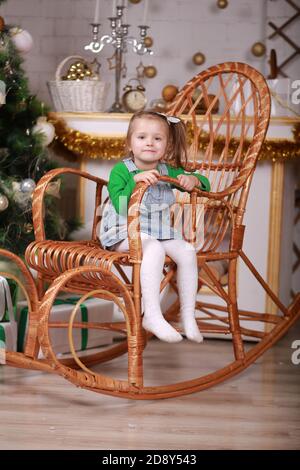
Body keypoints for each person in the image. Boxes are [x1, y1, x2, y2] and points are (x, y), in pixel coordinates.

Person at [99, 111, 210, 343]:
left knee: (188, 252)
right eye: (141, 137)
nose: (149, 142)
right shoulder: (122, 170)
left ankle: (188, 316)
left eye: (157, 139)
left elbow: (205, 184)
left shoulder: (168, 171)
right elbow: (120, 205)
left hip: (157, 230)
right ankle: (151, 314)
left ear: (167, 145)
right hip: (124, 229)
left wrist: (194, 180)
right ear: (129, 143)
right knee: (154, 250)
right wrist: (135, 182)